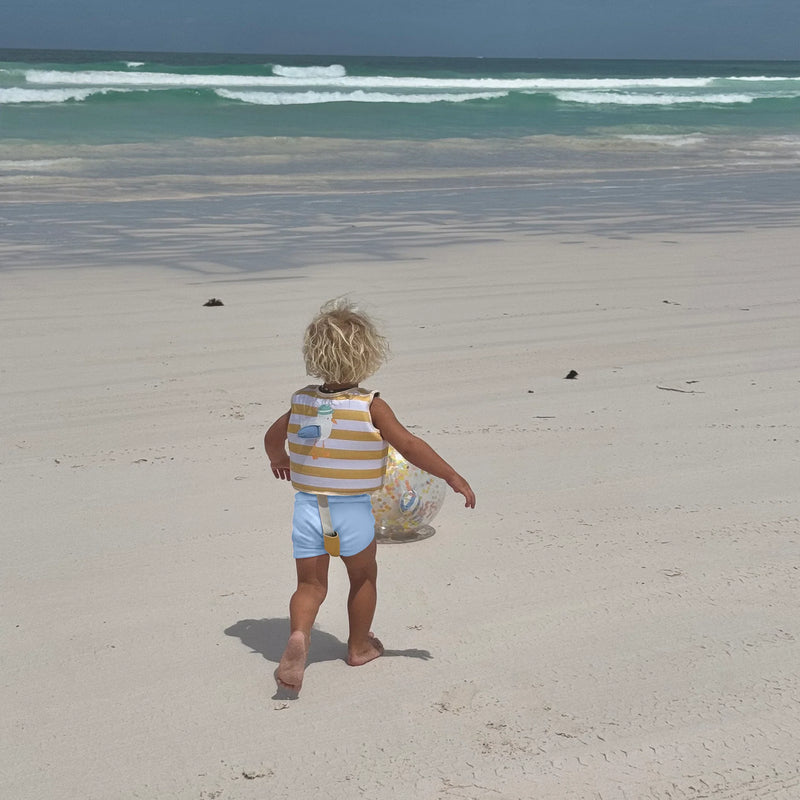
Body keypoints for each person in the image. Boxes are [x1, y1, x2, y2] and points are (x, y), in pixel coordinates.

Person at [264, 298, 475, 692]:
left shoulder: (302, 400)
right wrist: (451, 476)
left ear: (314, 355)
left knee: (310, 586)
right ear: (368, 356)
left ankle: (298, 636)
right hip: (352, 510)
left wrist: (280, 458)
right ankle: (359, 647)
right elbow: (409, 445)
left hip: (310, 507)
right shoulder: (370, 406)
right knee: (362, 576)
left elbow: (273, 437)